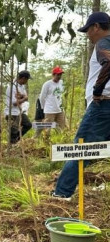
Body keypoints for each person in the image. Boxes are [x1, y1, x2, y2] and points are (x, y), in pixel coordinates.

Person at [52, 12, 110, 201]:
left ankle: (61, 194)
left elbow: (108, 62)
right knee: (97, 150)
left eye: (88, 30)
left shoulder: (103, 42)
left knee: (80, 149)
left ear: (96, 27)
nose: (88, 35)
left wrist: (97, 90)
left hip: (102, 105)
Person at [4, 70, 33, 143]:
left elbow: (26, 96)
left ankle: (15, 141)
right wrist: (23, 98)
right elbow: (14, 103)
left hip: (20, 111)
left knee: (28, 125)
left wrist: (22, 97)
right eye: (27, 79)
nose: (27, 81)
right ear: (23, 78)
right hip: (12, 113)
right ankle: (12, 145)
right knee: (13, 131)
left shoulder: (22, 86)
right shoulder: (12, 87)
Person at [38, 66, 66, 139]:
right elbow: (42, 97)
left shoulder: (61, 83)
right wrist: (43, 108)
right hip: (49, 110)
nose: (59, 76)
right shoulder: (47, 84)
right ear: (53, 75)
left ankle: (60, 141)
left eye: (60, 74)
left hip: (60, 109)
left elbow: (61, 95)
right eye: (58, 75)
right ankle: (46, 144)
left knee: (62, 127)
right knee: (47, 128)